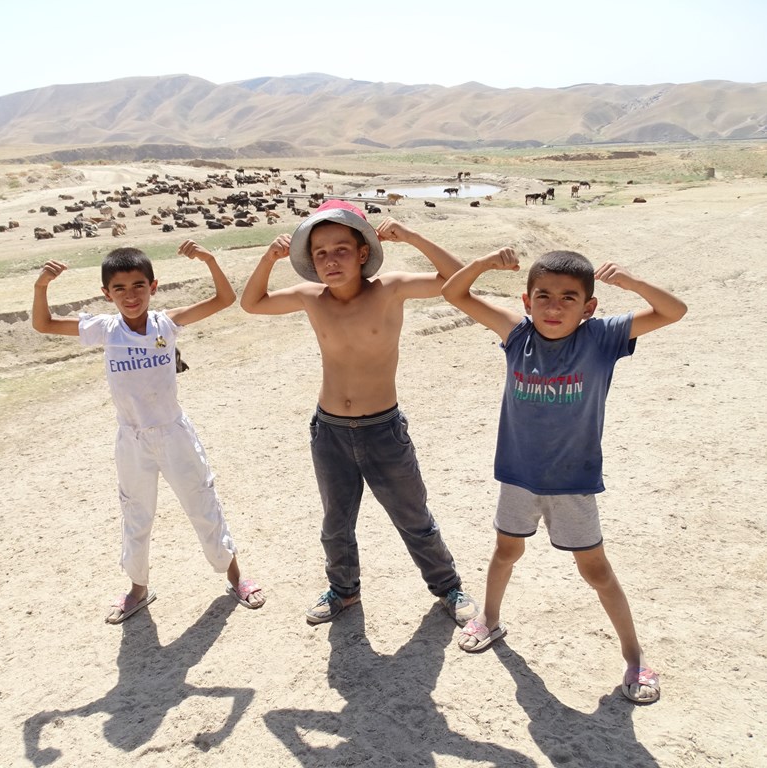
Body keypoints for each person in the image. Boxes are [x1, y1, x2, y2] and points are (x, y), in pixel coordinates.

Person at [441, 247, 687, 703]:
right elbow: (453, 291)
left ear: (589, 307)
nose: (554, 308)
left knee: (595, 571)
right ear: (527, 300)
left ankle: (634, 658)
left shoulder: (602, 337)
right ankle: (490, 620)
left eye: (569, 298)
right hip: (517, 476)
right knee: (504, 552)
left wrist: (631, 282)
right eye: (543, 297)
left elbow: (674, 310)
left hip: (573, 483)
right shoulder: (516, 333)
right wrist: (484, 263)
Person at [240, 200, 477, 627]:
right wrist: (267, 258)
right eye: (320, 253)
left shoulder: (390, 289)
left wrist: (411, 236)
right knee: (336, 523)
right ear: (311, 262)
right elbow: (252, 304)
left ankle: (448, 588)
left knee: (413, 517)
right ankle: (344, 591)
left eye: (341, 249)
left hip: (382, 429)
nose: (331, 260)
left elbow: (458, 278)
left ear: (363, 251)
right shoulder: (310, 297)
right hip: (328, 430)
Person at [32, 240, 266, 624]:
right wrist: (42, 287)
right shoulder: (105, 330)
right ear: (106, 294)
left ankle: (236, 576)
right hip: (132, 440)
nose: (130, 295)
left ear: (153, 287)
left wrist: (209, 258)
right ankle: (138, 588)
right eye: (119, 289)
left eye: (139, 285)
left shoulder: (166, 323)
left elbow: (224, 299)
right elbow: (43, 324)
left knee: (201, 503)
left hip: (174, 434)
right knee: (136, 514)